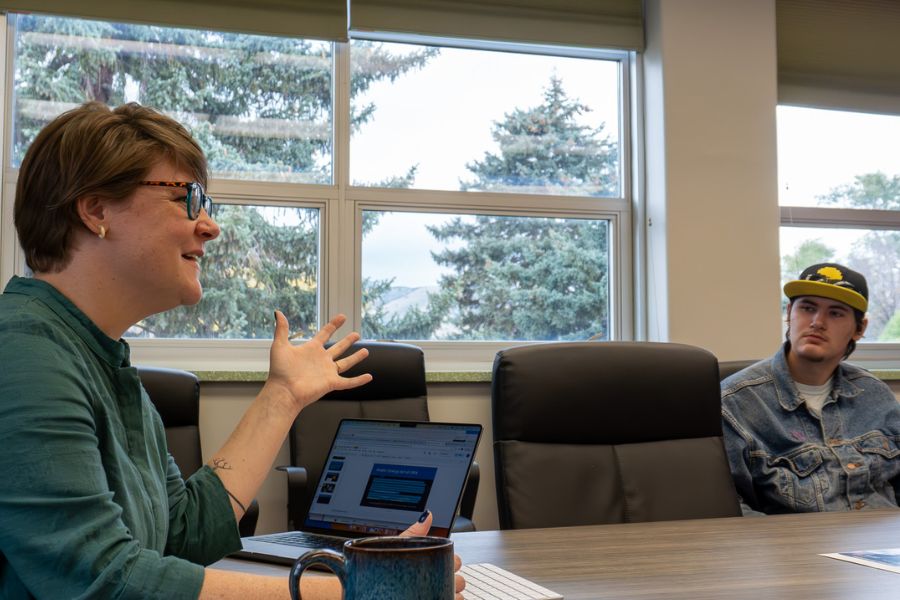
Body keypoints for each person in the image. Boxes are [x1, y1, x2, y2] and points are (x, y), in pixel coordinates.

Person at [0, 102, 464, 599]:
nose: (209, 226)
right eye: (186, 198)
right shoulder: (24, 353)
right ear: (96, 211)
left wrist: (282, 395)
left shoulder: (100, 358)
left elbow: (183, 532)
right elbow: (100, 580)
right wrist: (364, 591)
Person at [721, 262, 900, 515]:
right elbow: (730, 510)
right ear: (789, 313)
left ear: (859, 329)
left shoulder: (875, 395)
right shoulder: (734, 403)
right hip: (793, 549)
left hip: (884, 545)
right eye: (807, 308)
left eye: (836, 313)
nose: (817, 322)